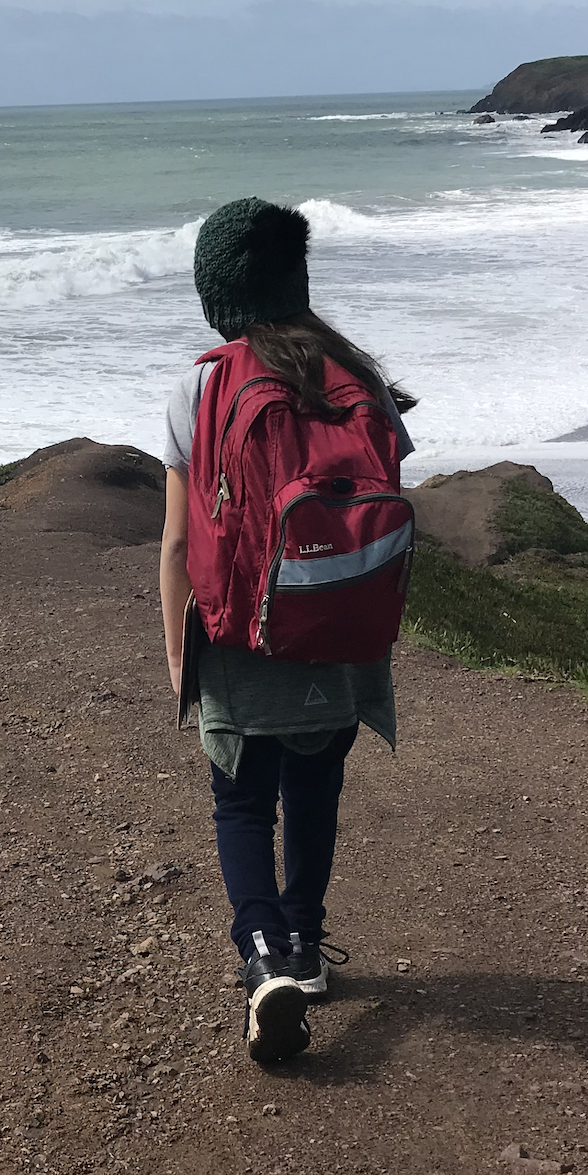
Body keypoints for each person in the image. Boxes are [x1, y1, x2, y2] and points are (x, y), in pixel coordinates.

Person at [157, 198, 415, 1065]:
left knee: (240, 799)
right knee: (315, 788)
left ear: (216, 296)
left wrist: (178, 658)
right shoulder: (358, 376)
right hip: (341, 626)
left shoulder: (203, 387)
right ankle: (304, 946)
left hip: (242, 632)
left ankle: (262, 953)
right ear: (296, 282)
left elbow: (178, 543)